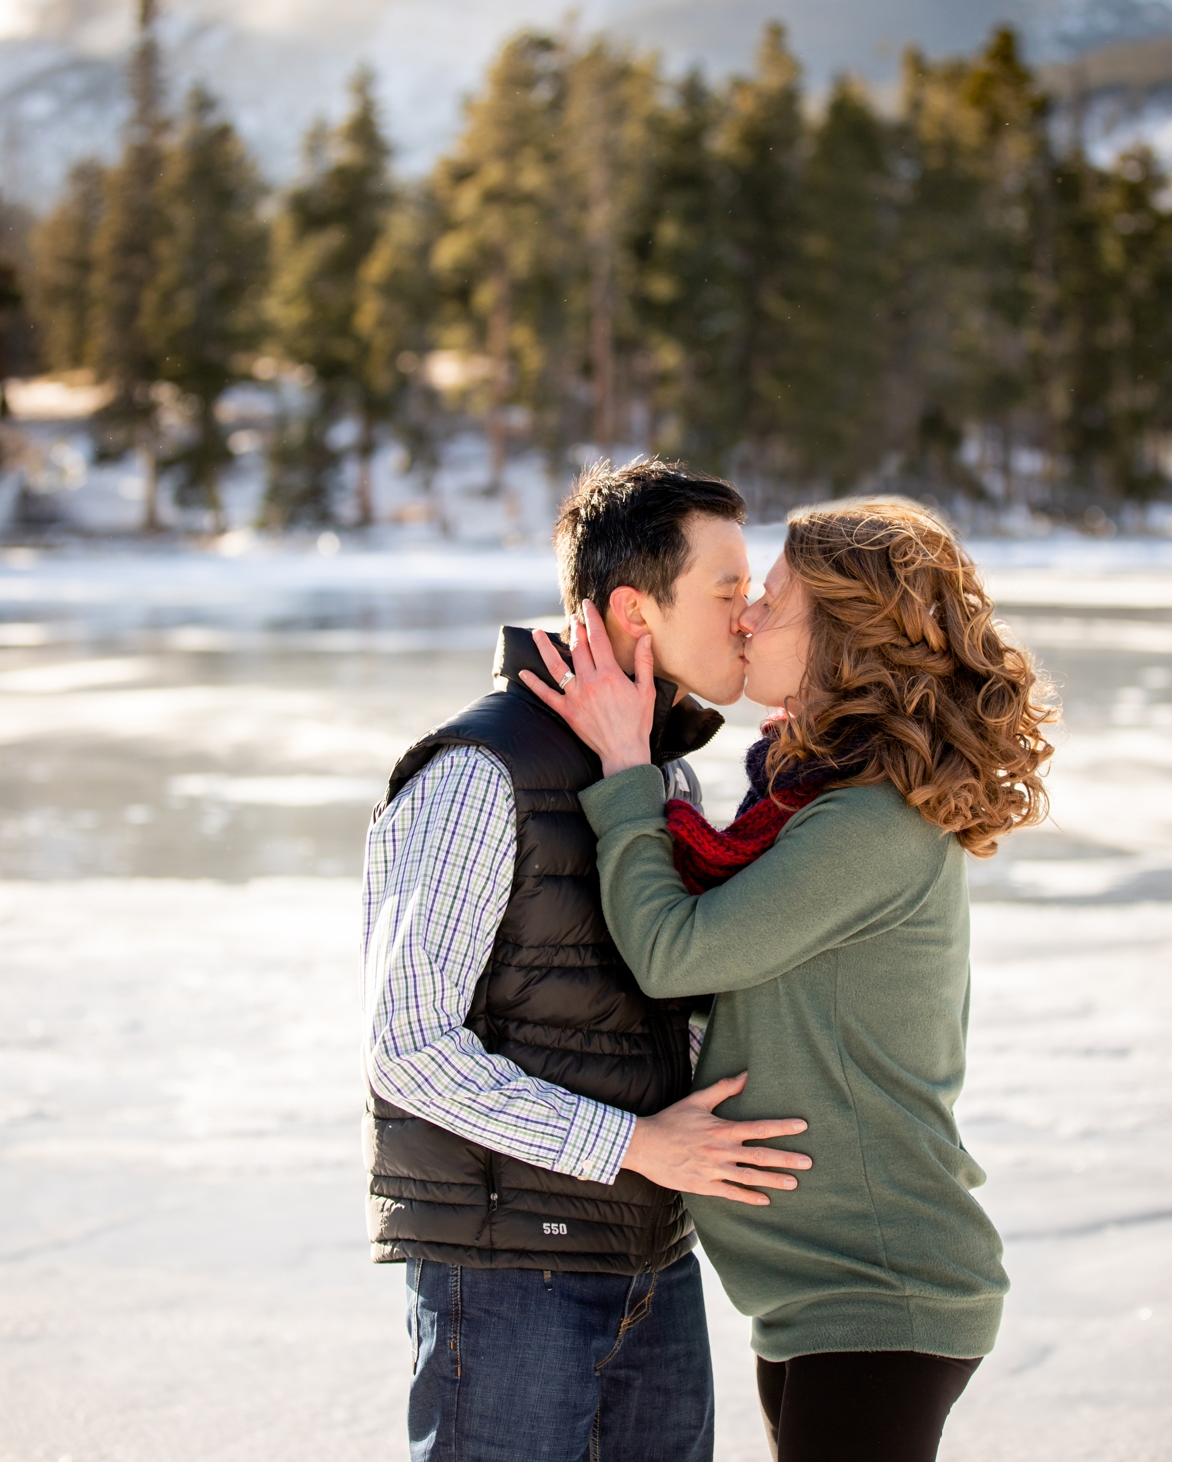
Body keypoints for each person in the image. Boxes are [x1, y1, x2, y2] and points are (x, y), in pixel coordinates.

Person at [526, 497, 1052, 1462]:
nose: (745, 618)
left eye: (769, 600)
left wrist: (624, 768)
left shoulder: (866, 824)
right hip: (821, 1294)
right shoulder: (808, 798)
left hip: (880, 1289)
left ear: (843, 636)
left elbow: (675, 952)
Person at [361, 457, 815, 1462]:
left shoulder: (659, 769)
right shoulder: (479, 773)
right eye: (726, 589)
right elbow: (408, 1046)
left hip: (651, 1256)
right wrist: (637, 1146)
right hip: (511, 1275)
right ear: (634, 613)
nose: (747, 616)